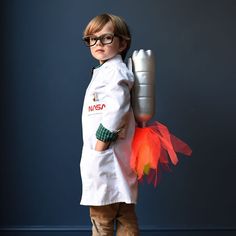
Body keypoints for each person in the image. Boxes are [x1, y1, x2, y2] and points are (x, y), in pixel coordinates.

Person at [80, 13, 139, 236]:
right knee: (124, 214)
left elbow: (117, 108)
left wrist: (100, 144)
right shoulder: (106, 71)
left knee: (101, 216)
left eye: (105, 38)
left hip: (106, 156)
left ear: (122, 43)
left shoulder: (114, 71)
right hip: (113, 158)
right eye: (92, 39)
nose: (97, 44)